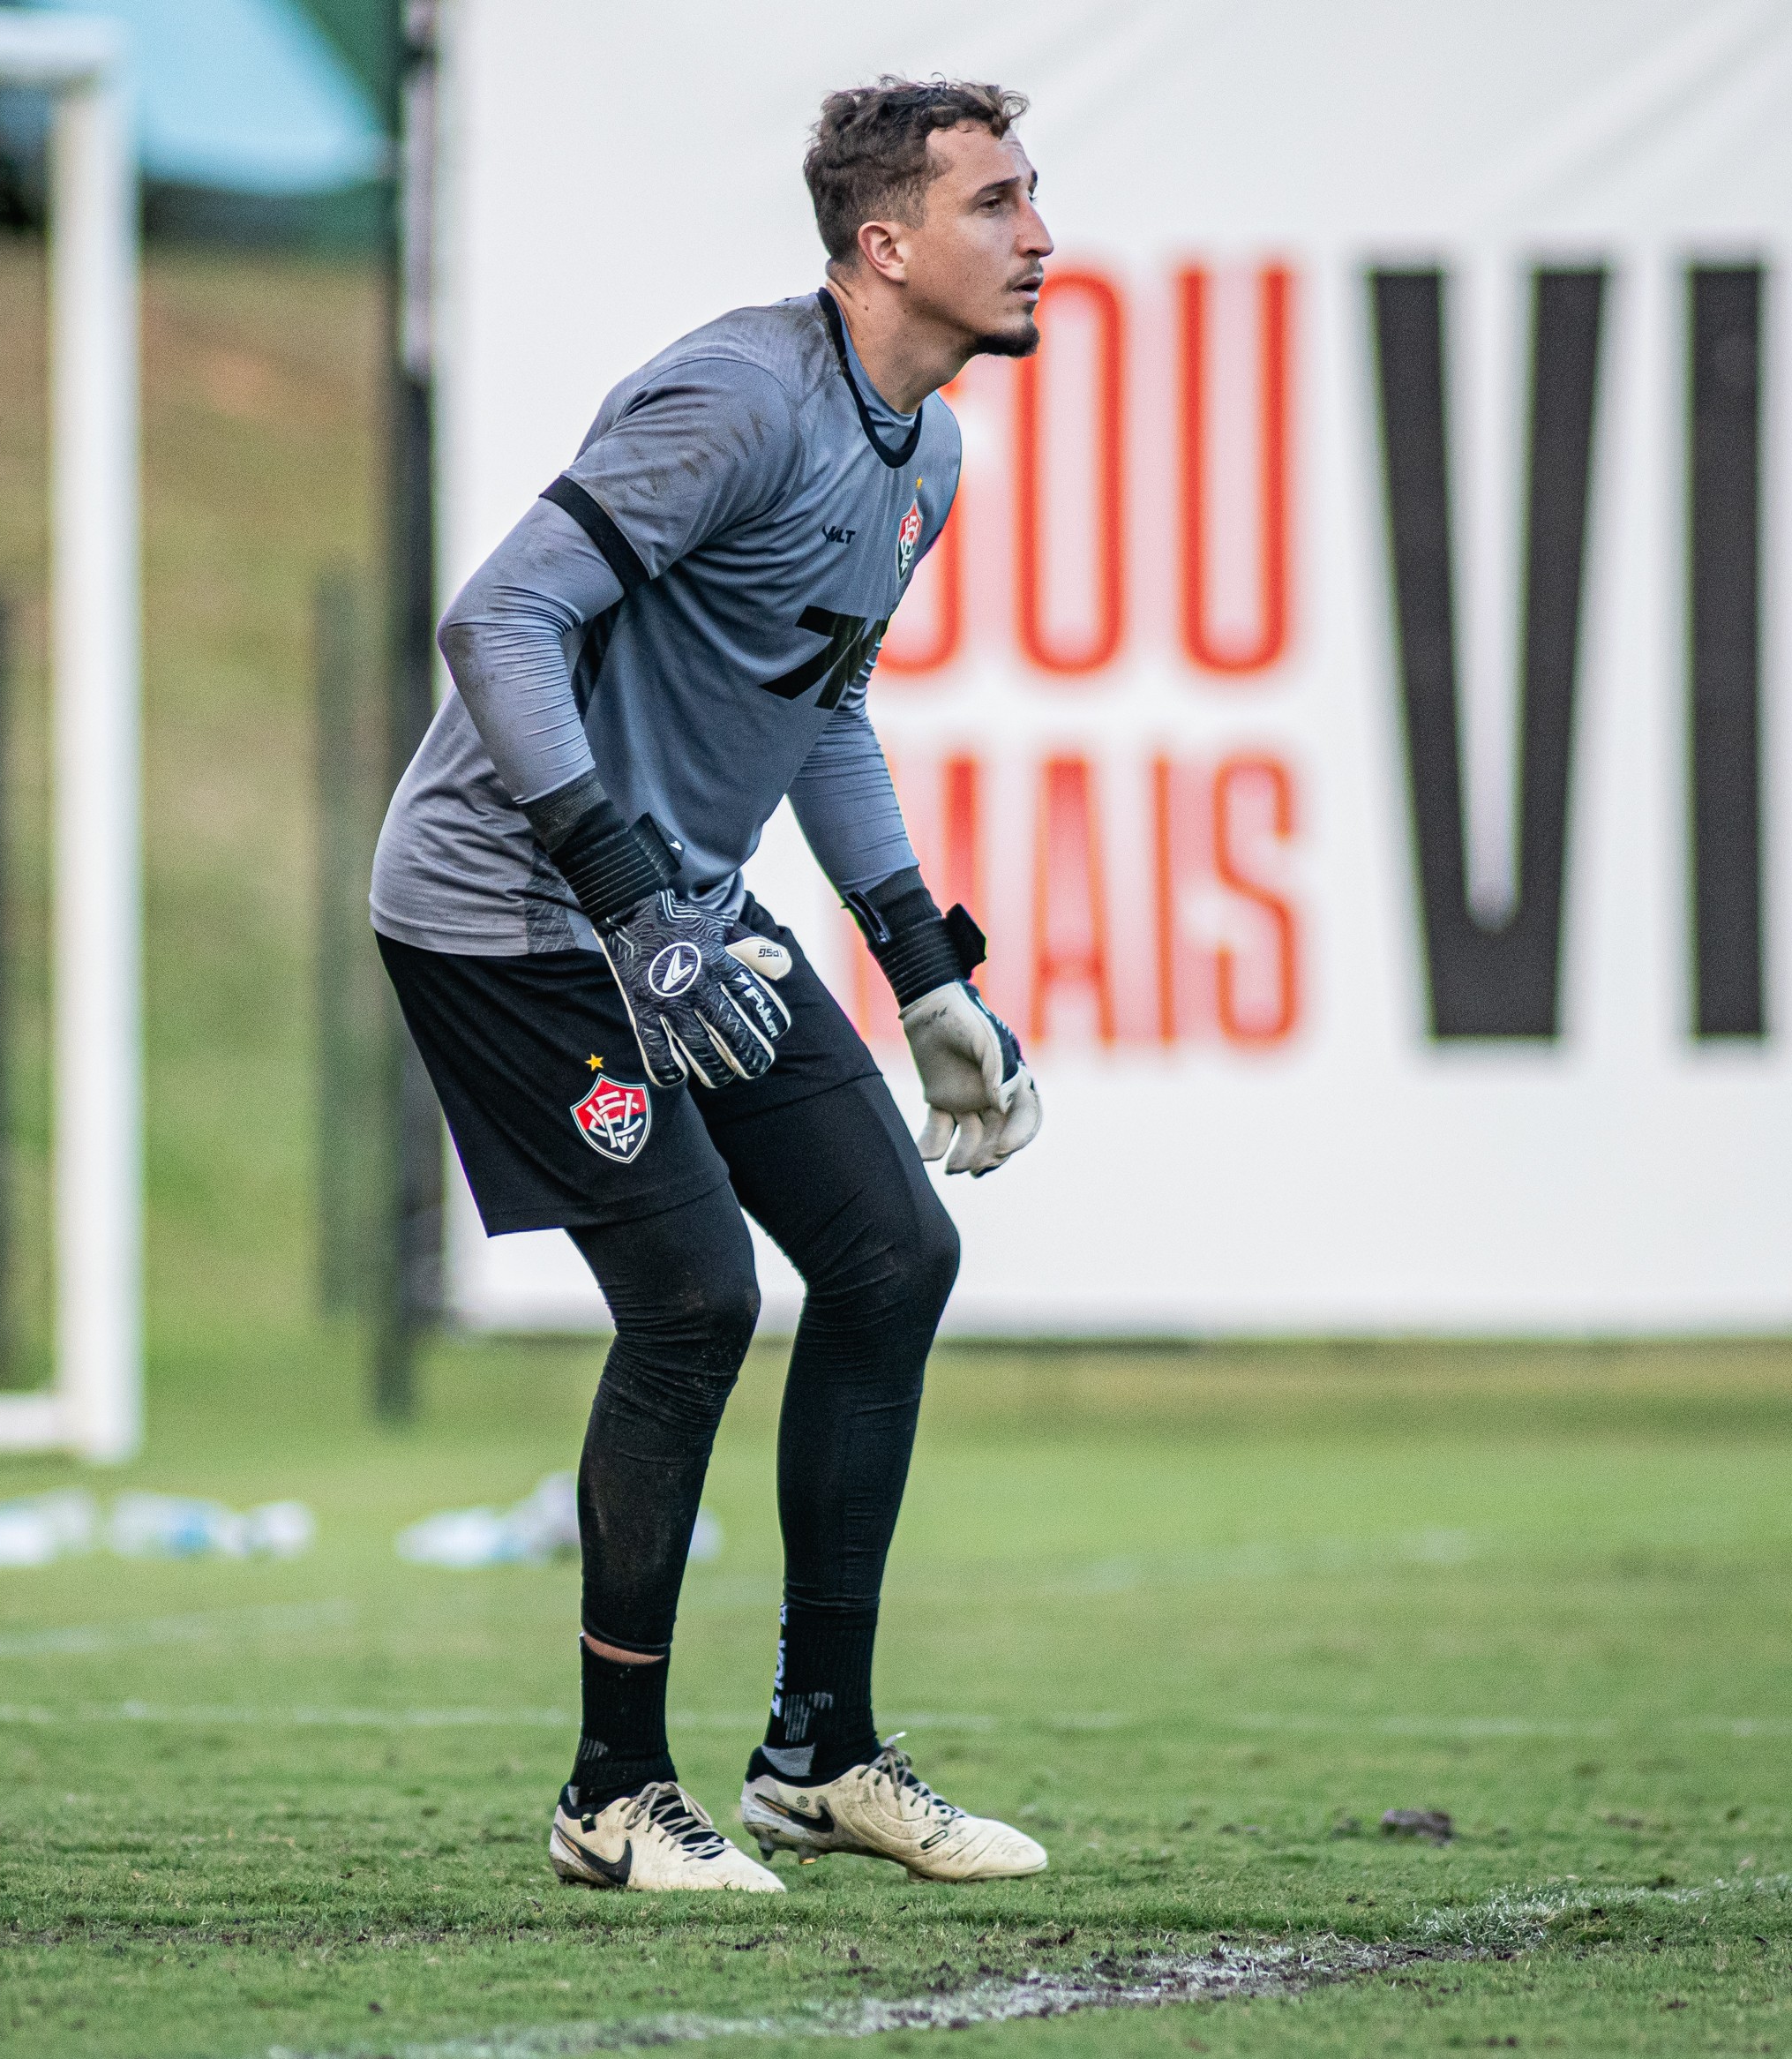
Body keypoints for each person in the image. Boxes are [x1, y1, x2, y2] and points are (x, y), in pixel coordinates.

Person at [371, 77, 1053, 1893]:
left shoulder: (926, 451)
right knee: (691, 1298)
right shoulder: (739, 395)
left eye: (1030, 200)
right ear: (884, 243)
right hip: (505, 909)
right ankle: (609, 1793)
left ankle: (816, 1756)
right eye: (996, 204)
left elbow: (818, 704)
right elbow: (494, 623)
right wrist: (623, 897)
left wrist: (921, 972)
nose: (1038, 237)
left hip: (669, 900)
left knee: (897, 1252)